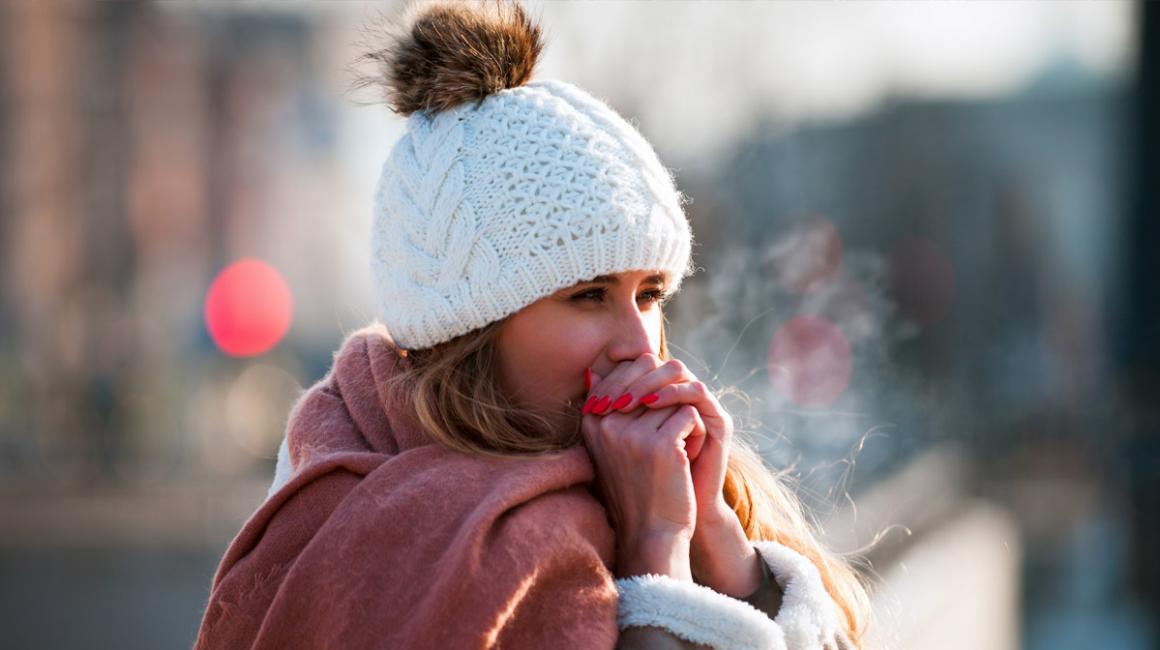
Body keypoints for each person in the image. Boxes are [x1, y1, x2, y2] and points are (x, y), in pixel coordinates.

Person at [194, 1, 871, 648]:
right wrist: (655, 554)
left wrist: (721, 543)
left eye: (650, 294)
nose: (638, 343)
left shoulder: (675, 485)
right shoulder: (375, 529)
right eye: (588, 296)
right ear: (471, 334)